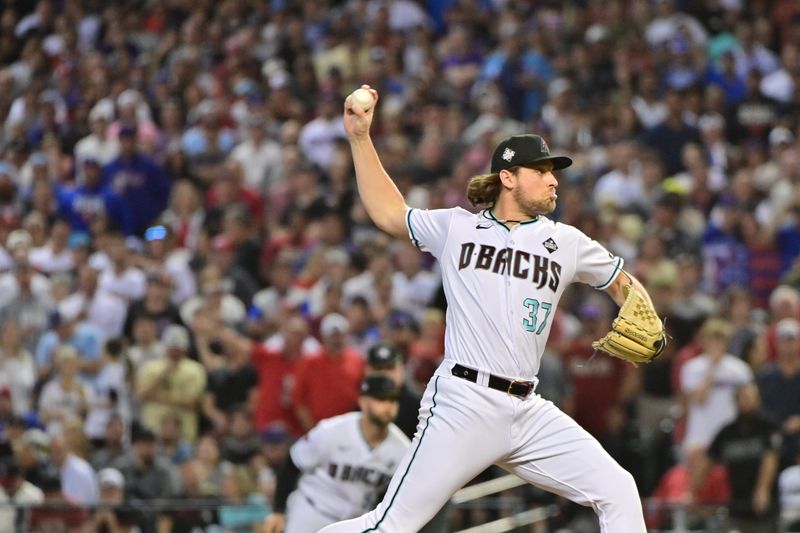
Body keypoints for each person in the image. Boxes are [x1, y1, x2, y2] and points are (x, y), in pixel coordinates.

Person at [319, 86, 658, 532]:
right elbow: (389, 213)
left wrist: (641, 306)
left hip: (528, 408)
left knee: (618, 489)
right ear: (509, 177)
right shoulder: (456, 228)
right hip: (464, 402)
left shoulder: (568, 243)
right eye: (542, 170)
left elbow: (622, 283)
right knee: (390, 526)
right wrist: (361, 138)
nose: (554, 179)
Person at [263, 375, 410, 533]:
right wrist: (278, 511)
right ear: (363, 402)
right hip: (312, 512)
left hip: (353, 524)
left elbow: (389, 496)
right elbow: (292, 464)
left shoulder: (402, 449)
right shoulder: (331, 431)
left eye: (392, 399)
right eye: (381, 399)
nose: (388, 405)